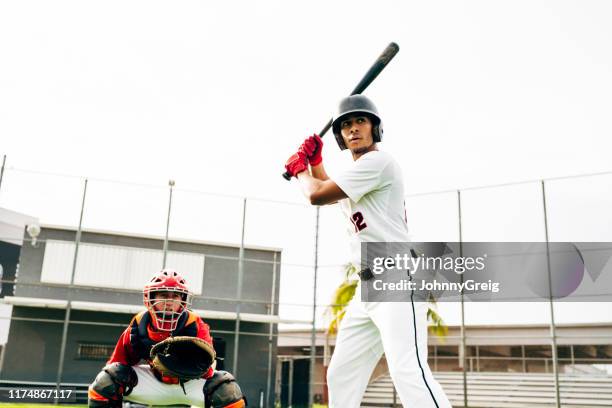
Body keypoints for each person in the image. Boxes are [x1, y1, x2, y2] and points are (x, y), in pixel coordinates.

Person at [284, 95, 451, 408]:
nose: (353, 128)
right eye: (345, 125)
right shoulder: (358, 174)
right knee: (342, 373)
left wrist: (299, 171)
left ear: (376, 127)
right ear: (340, 136)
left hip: (397, 276)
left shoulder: (378, 162)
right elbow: (332, 192)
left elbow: (317, 195)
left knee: (408, 371)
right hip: (368, 287)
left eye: (360, 120)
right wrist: (316, 164)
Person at [88, 268, 246, 408]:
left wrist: (180, 364)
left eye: (175, 296)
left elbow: (207, 370)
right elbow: (117, 364)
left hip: (190, 385)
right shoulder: (138, 325)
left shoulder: (195, 324)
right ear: (150, 298)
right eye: (163, 295)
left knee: (227, 391)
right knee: (106, 381)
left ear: (182, 300)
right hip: (154, 383)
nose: (169, 302)